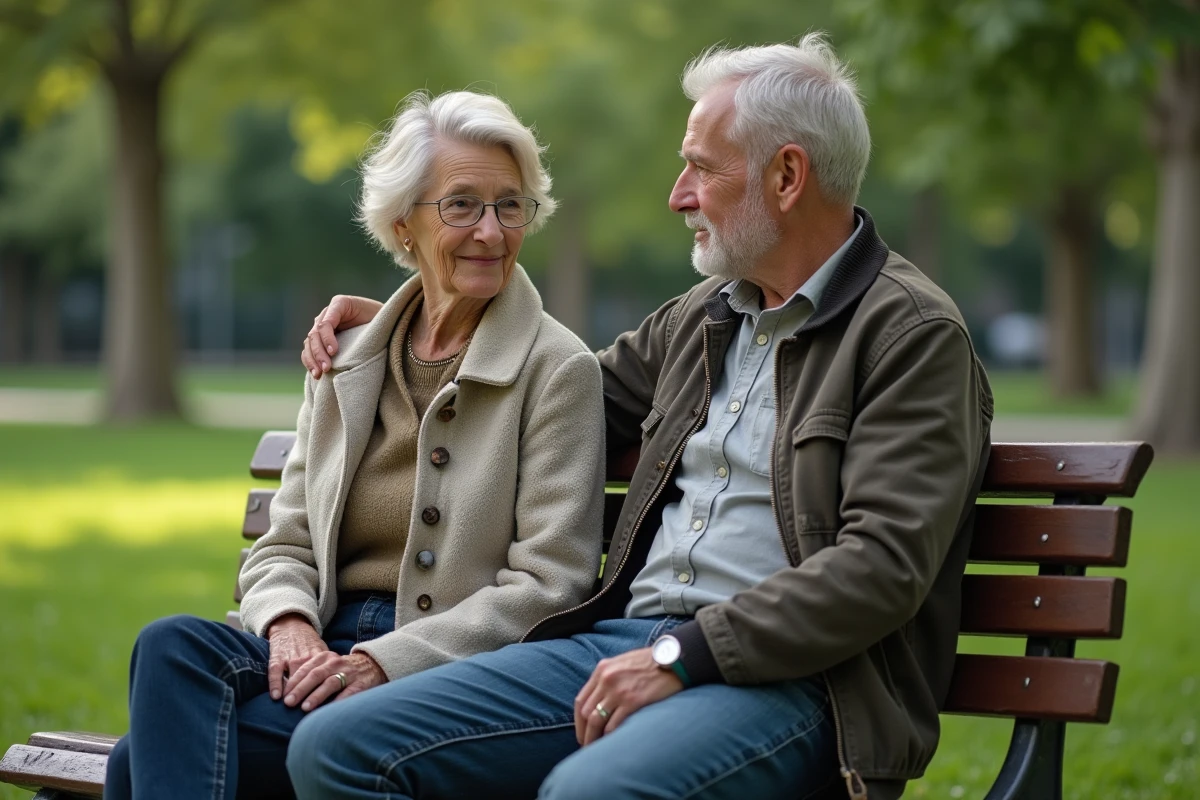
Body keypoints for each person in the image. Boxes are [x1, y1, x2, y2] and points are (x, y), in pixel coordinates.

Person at [292, 34, 992, 800]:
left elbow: (881, 568)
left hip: (795, 686)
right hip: (617, 647)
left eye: (702, 166)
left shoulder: (911, 336)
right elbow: (551, 393)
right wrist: (419, 319)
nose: (678, 194)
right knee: (337, 746)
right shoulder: (704, 315)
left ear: (787, 176)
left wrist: (683, 657)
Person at [103, 90, 607, 799]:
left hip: (436, 675)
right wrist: (287, 628)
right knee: (172, 646)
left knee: (136, 766)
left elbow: (548, 588)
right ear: (404, 225)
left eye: (509, 205)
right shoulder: (346, 361)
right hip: (315, 646)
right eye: (462, 205)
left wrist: (379, 663)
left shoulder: (558, 370)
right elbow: (286, 543)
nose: (491, 232)